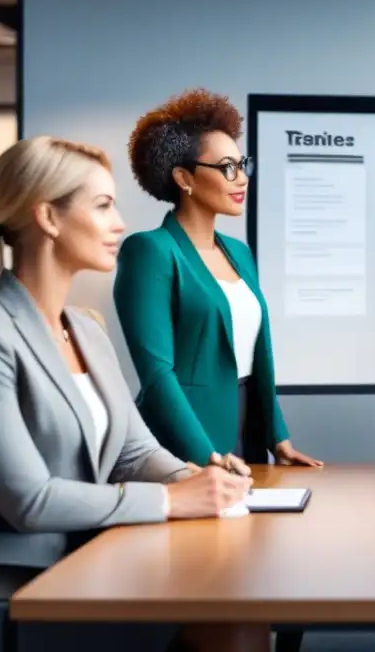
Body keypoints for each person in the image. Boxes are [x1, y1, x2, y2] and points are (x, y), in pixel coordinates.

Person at [0, 135, 263, 652]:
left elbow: (134, 451)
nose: (120, 223)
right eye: (103, 206)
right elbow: (29, 501)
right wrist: (171, 498)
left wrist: (200, 477)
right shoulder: (0, 336)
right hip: (28, 578)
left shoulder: (87, 330)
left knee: (241, 616)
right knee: (230, 625)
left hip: (98, 553)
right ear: (48, 219)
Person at [113, 88, 320, 469]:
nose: (242, 179)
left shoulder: (238, 252)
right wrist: (206, 455)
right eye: (228, 167)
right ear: (184, 177)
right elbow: (157, 374)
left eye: (243, 165)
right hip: (185, 442)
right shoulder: (150, 252)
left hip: (248, 431)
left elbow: (257, 355)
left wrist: (279, 436)